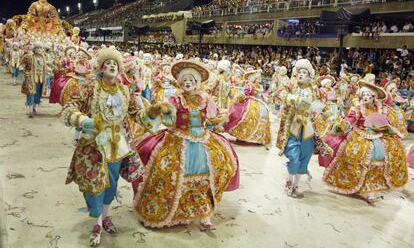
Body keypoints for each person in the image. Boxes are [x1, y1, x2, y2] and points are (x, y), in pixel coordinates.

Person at [134, 59, 239, 230]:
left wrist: (219, 119)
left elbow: (212, 118)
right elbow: (169, 119)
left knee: (213, 170)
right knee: (168, 172)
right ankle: (174, 211)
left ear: (197, 82)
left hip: (203, 140)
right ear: (180, 83)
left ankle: (205, 214)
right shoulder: (175, 99)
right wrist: (164, 110)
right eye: (185, 80)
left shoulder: (206, 98)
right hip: (178, 139)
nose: (188, 83)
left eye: (191, 80)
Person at [61, 47, 144, 247]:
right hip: (93, 145)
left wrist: (153, 114)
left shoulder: (124, 90)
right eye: (108, 63)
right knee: (93, 185)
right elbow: (69, 107)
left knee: (112, 183)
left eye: (115, 64)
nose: (112, 67)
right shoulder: (89, 87)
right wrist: (82, 120)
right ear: (101, 67)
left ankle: (104, 218)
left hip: (117, 145)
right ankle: (97, 219)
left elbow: (136, 113)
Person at [322, 80, 409, 204]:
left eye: (368, 95)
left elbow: (387, 123)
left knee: (385, 156)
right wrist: (340, 127)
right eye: (364, 96)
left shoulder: (381, 109)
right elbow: (349, 120)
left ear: (374, 97)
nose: (366, 98)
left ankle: (371, 190)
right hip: (360, 135)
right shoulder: (358, 108)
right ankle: (355, 182)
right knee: (355, 155)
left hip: (378, 136)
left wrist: (387, 129)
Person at [276, 59, 331, 198]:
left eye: (304, 72)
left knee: (304, 160)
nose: (300, 75)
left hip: (307, 131)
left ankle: (296, 186)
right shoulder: (291, 86)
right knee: (293, 158)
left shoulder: (315, 91)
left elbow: (323, 107)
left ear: (309, 75)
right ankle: (289, 181)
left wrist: (334, 120)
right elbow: (279, 92)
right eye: (299, 72)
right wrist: (294, 99)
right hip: (293, 129)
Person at [225, 69, 271, 148]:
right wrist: (238, 99)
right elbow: (244, 93)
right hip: (250, 103)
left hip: (256, 102)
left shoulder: (256, 85)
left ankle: (256, 136)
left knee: (260, 115)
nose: (259, 79)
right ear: (254, 78)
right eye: (258, 78)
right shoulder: (249, 85)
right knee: (245, 116)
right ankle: (242, 135)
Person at [21, 41, 46, 117]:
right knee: (31, 93)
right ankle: (30, 110)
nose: (39, 49)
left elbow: (45, 67)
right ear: (34, 49)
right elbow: (22, 64)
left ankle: (34, 108)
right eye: (37, 47)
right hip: (31, 78)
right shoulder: (29, 56)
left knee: (37, 94)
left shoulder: (44, 57)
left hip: (40, 78)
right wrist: (26, 72)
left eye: (40, 48)